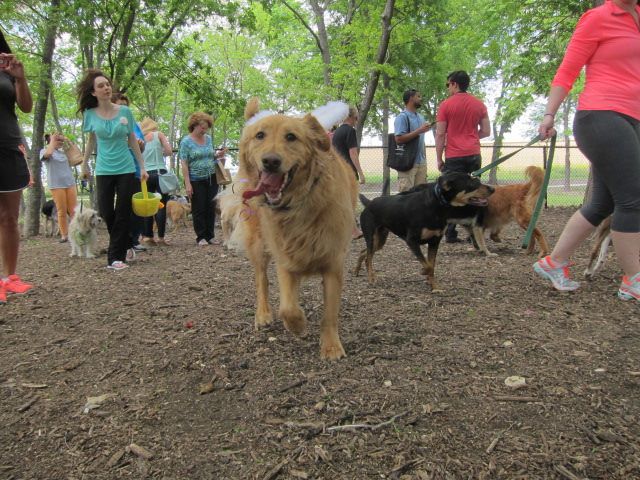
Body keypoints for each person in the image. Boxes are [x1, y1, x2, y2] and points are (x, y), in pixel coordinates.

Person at [533, 0, 640, 301]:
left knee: (603, 202)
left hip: (632, 118)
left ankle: (555, 262)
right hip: (601, 116)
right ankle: (633, 279)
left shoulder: (637, 15)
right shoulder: (598, 18)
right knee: (633, 198)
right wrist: (549, 115)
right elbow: (567, 70)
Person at [78, 69, 148, 271]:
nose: (106, 88)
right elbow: (91, 141)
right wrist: (84, 165)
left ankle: (115, 258)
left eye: (107, 84)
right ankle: (125, 243)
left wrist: (142, 166)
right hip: (103, 169)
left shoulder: (125, 112)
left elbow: (132, 140)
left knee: (123, 211)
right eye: (100, 86)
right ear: (93, 92)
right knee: (108, 212)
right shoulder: (90, 115)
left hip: (125, 167)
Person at [435, 70, 491, 243]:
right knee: (474, 193)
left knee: (450, 194)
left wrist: (439, 158)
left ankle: (450, 233)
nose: (447, 89)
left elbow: (440, 134)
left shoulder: (445, 105)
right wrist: (472, 137)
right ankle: (475, 233)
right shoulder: (479, 104)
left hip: (454, 155)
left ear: (454, 84)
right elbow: (486, 131)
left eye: (448, 85)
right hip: (474, 154)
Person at [0, 29, 34, 303]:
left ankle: (10, 277)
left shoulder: (8, 72)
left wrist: (20, 78)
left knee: (8, 216)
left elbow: (26, 107)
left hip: (8, 146)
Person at [178, 111, 225, 246]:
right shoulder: (186, 142)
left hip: (211, 177)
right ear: (195, 125)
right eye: (202, 127)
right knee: (199, 207)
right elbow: (184, 163)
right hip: (196, 179)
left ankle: (210, 235)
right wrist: (187, 183)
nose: (204, 130)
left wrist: (217, 155)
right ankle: (201, 236)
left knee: (211, 206)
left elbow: (209, 156)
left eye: (206, 128)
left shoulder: (208, 139)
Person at [112, 92, 146, 260]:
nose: (124, 108)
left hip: (136, 171)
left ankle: (133, 239)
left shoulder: (134, 124)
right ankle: (122, 242)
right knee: (123, 209)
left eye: (126, 105)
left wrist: (140, 144)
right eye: (120, 104)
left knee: (138, 209)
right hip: (120, 170)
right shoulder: (111, 122)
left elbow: (141, 146)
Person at [332, 105, 366, 238]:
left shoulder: (337, 132)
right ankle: (354, 231)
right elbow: (353, 154)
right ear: (352, 117)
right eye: (356, 116)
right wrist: (361, 173)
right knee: (350, 201)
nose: (357, 119)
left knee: (343, 201)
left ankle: (346, 230)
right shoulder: (350, 131)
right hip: (348, 172)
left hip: (338, 170)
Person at [139, 117, 173, 246]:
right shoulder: (158, 135)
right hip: (160, 173)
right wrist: (161, 153)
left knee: (147, 205)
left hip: (145, 175)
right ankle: (161, 237)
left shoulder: (139, 138)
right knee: (161, 205)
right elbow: (169, 151)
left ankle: (147, 236)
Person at [40, 133, 77, 243]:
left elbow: (77, 156)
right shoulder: (44, 151)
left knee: (73, 210)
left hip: (70, 183)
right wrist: (52, 141)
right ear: (50, 141)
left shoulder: (63, 153)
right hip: (56, 185)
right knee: (61, 210)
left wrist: (67, 140)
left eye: (60, 141)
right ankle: (64, 235)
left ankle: (76, 232)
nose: (60, 142)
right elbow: (48, 154)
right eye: (58, 140)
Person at [394, 89, 431, 192]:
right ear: (411, 98)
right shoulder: (402, 117)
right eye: (418, 96)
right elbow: (398, 139)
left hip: (421, 163)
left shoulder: (421, 117)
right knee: (406, 197)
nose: (421, 99)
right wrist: (419, 130)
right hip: (408, 163)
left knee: (421, 197)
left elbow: (420, 139)